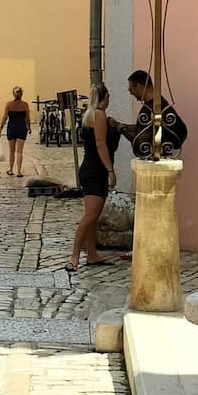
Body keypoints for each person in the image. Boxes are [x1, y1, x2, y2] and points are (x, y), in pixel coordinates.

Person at [67, 83, 120, 272]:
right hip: (95, 170)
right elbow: (100, 144)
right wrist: (110, 170)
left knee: (93, 216)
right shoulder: (99, 115)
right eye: (109, 97)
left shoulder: (89, 115)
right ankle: (74, 256)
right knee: (89, 216)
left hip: (90, 169)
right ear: (105, 98)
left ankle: (92, 254)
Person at [119, 69, 187, 155]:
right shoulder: (158, 104)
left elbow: (141, 140)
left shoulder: (155, 107)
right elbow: (143, 128)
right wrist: (121, 126)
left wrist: (121, 128)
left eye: (131, 89)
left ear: (139, 86)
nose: (131, 93)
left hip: (157, 157)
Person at [0, 86, 32, 177]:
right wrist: (29, 127)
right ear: (21, 94)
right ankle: (19, 171)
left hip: (11, 128)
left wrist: (0, 130)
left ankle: (11, 170)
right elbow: (27, 118)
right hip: (22, 128)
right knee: (19, 151)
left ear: (13, 94)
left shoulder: (9, 104)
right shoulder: (25, 105)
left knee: (12, 151)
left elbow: (4, 118)